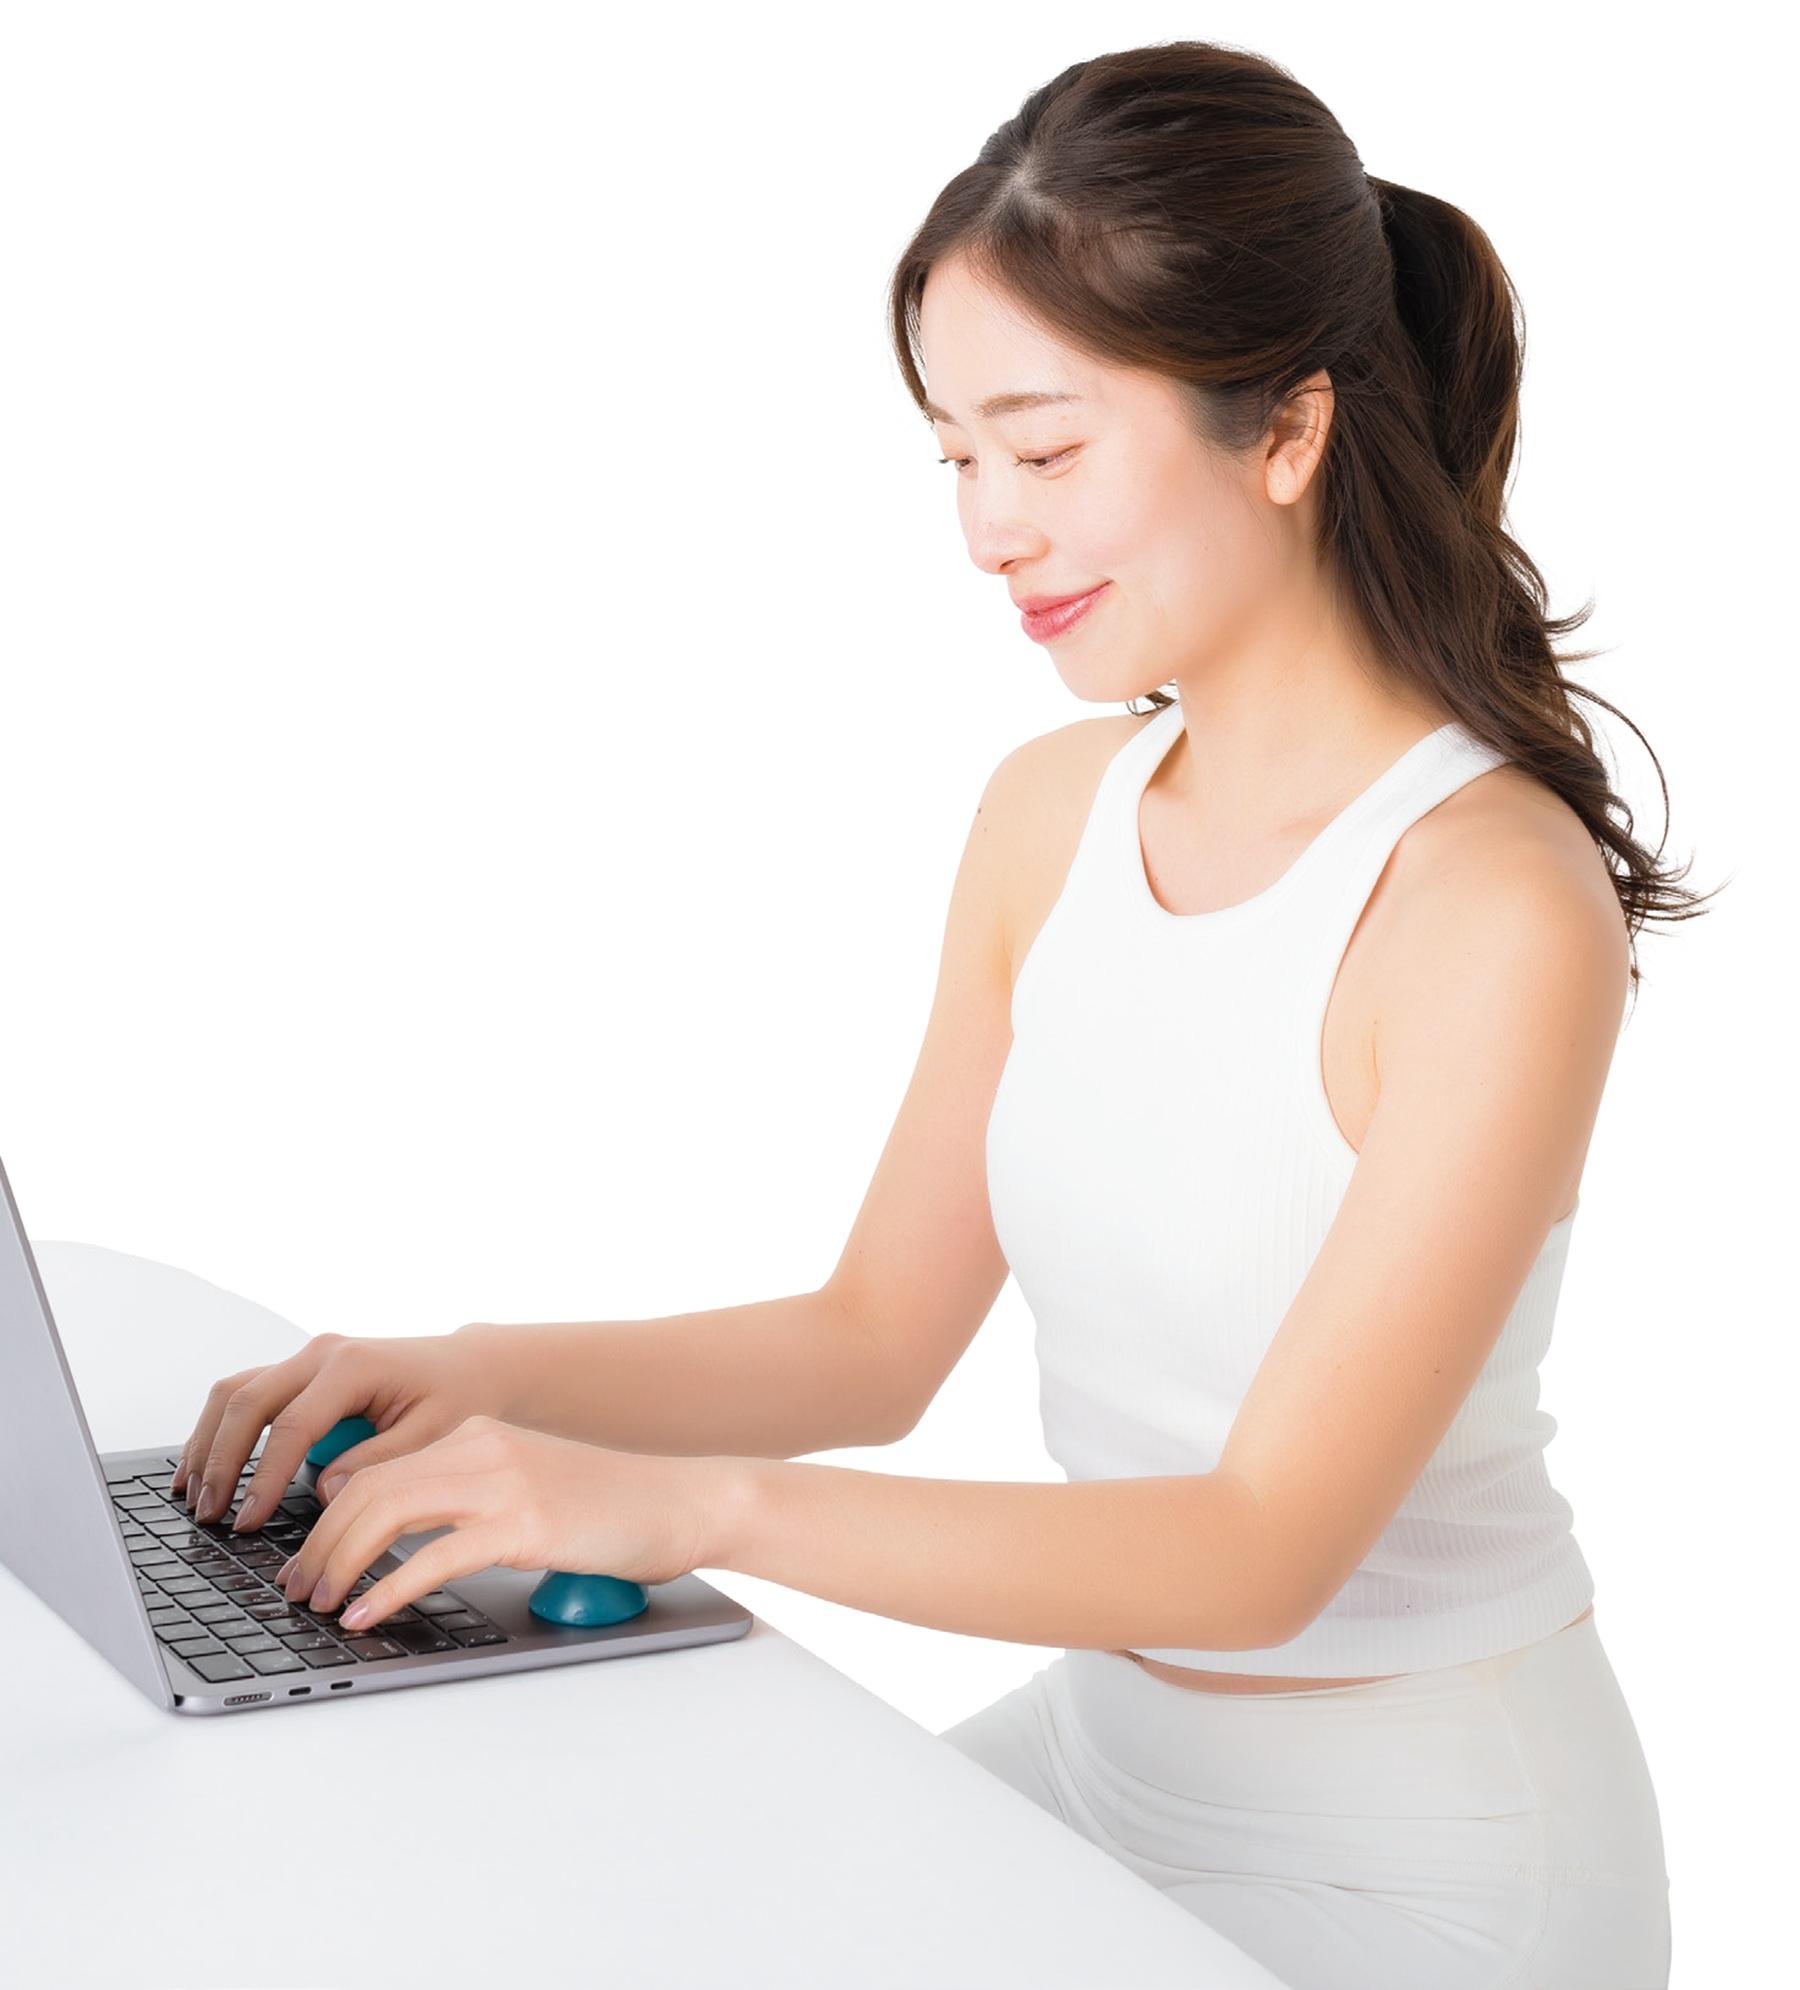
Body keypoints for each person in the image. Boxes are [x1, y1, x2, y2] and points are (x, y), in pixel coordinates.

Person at [174, 37, 1713, 1990]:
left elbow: (1262, 1543)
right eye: (957, 457)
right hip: (1102, 1758)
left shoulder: (1487, 902)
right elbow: (874, 1336)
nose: (988, 529)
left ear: (1287, 429)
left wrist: (687, 1505)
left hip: (1427, 1868)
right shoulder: (1049, 817)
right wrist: (472, 1375)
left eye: (1045, 450)